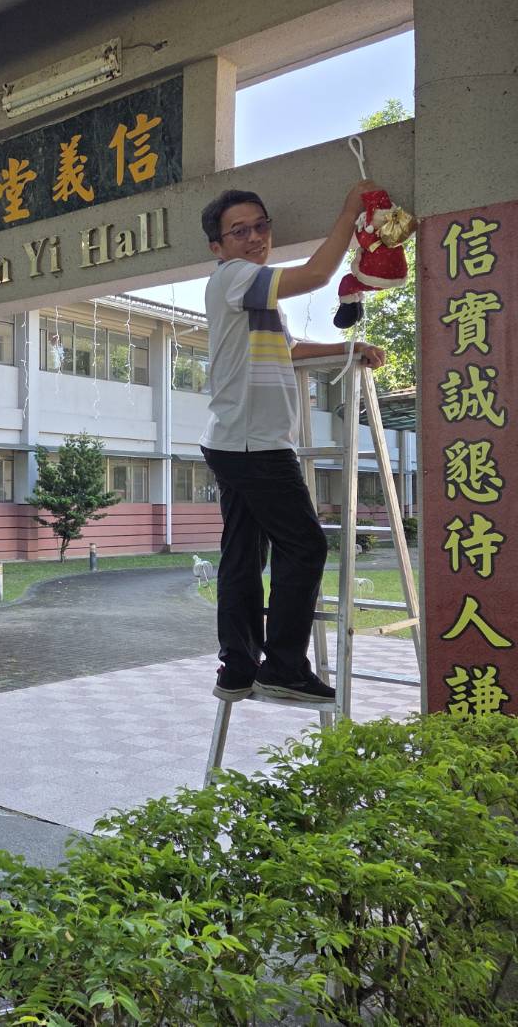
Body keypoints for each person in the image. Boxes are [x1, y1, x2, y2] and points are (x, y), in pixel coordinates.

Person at [198, 183, 386, 705]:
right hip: (255, 444)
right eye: (239, 231)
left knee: (242, 553)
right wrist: (349, 212)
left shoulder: (252, 294)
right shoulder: (236, 276)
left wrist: (347, 347)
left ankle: (238, 666)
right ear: (218, 247)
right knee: (305, 545)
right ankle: (283, 666)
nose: (254, 237)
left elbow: (289, 349)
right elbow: (317, 275)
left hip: (233, 440)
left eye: (261, 226)